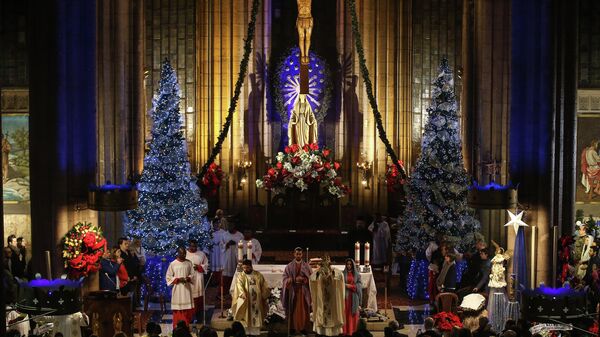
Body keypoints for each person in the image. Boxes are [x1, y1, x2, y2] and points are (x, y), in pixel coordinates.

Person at [231, 259, 270, 336]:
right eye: (244, 268)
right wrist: (242, 293)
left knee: (256, 315)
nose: (246, 269)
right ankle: (247, 332)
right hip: (246, 300)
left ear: (251, 267)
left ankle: (255, 332)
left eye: (247, 267)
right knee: (246, 315)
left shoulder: (258, 275)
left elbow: (263, 285)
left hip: (257, 300)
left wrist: (265, 293)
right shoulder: (240, 276)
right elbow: (239, 285)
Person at [310, 257, 345, 336]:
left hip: (331, 298)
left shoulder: (334, 271)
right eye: (324, 264)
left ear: (330, 264)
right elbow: (312, 279)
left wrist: (333, 273)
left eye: (327, 264)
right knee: (322, 314)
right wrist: (318, 272)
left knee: (332, 315)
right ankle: (322, 332)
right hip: (322, 298)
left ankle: (332, 332)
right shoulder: (319, 272)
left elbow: (340, 277)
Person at [282, 247, 312, 335]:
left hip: (303, 292)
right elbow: (284, 278)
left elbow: (311, 278)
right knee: (293, 309)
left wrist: (304, 280)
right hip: (293, 291)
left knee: (304, 310)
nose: (298, 255)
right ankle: (293, 328)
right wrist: (290, 280)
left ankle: (303, 328)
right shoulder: (289, 266)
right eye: (297, 254)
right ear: (294, 254)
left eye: (300, 254)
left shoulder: (306, 266)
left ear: (302, 254)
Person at [166, 246, 196, 328]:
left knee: (186, 310)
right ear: (178, 253)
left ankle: (186, 327)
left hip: (186, 289)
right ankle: (177, 327)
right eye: (182, 253)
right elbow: (168, 276)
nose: (184, 255)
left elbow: (193, 274)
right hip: (178, 289)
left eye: (185, 253)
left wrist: (188, 278)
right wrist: (177, 280)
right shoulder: (173, 264)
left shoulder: (189, 263)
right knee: (177, 310)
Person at [186, 239, 208, 320]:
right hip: (189, 278)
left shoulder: (201, 254)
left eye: (195, 246)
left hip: (198, 277)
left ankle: (199, 314)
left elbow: (205, 265)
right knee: (190, 296)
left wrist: (198, 267)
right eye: (191, 246)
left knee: (198, 297)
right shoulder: (185, 254)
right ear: (189, 246)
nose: (193, 248)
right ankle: (190, 314)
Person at [221, 221, 244, 291]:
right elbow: (221, 245)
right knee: (226, 274)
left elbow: (243, 245)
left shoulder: (240, 235)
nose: (229, 227)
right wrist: (227, 244)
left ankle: (236, 289)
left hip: (236, 256)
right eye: (229, 225)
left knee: (236, 272)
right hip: (227, 256)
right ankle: (226, 290)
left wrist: (236, 244)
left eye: (231, 225)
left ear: (234, 226)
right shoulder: (224, 234)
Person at [342, 258, 362, 336]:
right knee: (346, 314)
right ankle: (345, 331)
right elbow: (339, 284)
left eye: (350, 264)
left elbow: (359, 285)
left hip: (354, 297)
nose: (349, 266)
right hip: (346, 297)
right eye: (347, 264)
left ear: (353, 265)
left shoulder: (357, 275)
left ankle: (353, 331)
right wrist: (344, 285)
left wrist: (351, 286)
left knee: (353, 314)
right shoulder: (343, 274)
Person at [296, 0, 313, 64]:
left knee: (308, 38)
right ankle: (303, 55)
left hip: (308, 18)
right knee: (301, 37)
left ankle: (307, 54)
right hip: (300, 19)